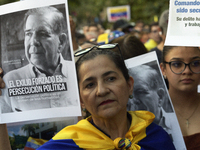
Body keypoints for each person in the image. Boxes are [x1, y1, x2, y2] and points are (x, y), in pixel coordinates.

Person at [33, 45, 175, 149]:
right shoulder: (64, 145)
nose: (101, 91)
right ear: (81, 99)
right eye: (90, 85)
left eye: (111, 79)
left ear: (129, 85)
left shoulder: (156, 138)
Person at [0, 6, 78, 113]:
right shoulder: (9, 81)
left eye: (42, 33)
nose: (33, 41)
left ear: (61, 42)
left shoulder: (78, 72)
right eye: (28, 34)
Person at [160, 46, 200, 150]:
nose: (187, 71)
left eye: (195, 63)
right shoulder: (151, 112)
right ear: (163, 69)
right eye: (177, 64)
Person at [127, 64, 174, 134]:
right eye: (128, 95)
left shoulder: (179, 123)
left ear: (160, 96)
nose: (132, 100)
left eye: (140, 92)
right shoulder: (124, 135)